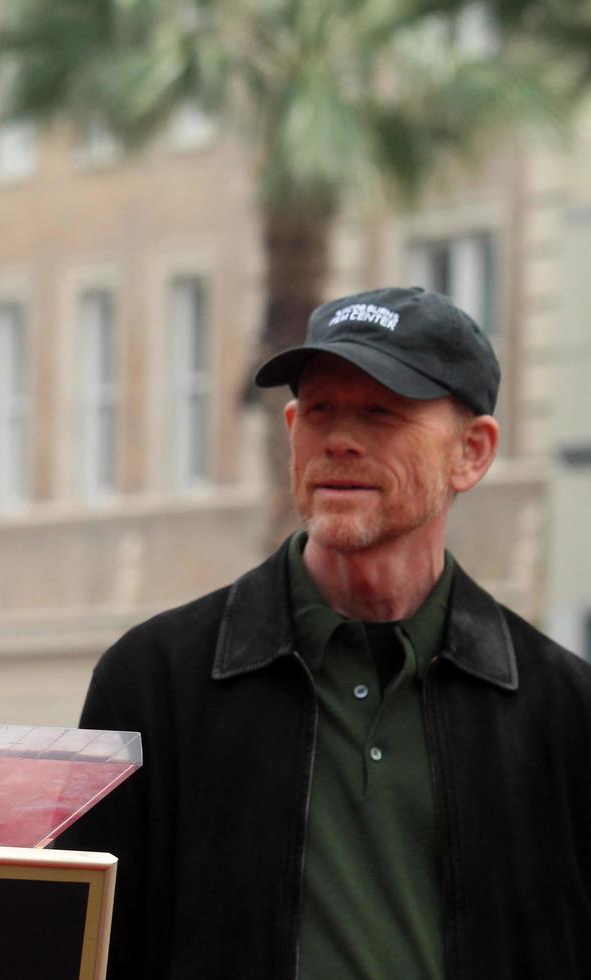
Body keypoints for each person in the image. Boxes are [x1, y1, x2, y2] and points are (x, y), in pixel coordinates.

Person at [59, 287, 591, 978]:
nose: (339, 439)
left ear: (472, 452)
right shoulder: (152, 682)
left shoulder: (563, 710)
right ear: (291, 429)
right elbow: (75, 948)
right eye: (319, 411)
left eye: (380, 412)